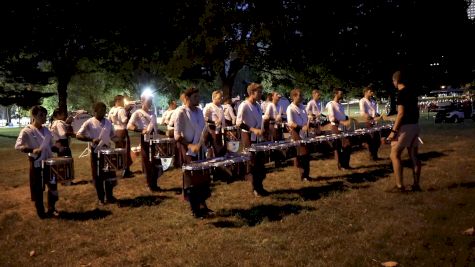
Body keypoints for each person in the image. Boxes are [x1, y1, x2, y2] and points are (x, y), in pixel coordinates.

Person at [174, 87, 214, 218]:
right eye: (195, 97)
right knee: (192, 180)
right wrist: (190, 145)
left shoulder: (199, 111)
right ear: (187, 98)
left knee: (202, 178)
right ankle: (195, 210)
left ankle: (203, 205)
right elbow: (176, 135)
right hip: (188, 149)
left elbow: (203, 130)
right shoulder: (181, 112)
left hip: (200, 149)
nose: (198, 99)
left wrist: (207, 143)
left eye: (198, 96)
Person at [15, 105, 60, 218]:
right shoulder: (27, 131)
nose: (43, 117)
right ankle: (41, 212)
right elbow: (18, 146)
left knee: (53, 186)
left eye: (45, 115)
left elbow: (50, 146)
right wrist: (32, 150)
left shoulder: (47, 130)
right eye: (41, 115)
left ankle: (52, 208)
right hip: (36, 163)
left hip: (49, 163)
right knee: (38, 189)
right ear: (34, 116)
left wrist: (57, 148)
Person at [386, 70, 422, 192]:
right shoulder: (412, 92)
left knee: (394, 154)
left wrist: (393, 131)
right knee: (414, 155)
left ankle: (399, 186)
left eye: (393, 81)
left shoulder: (401, 93)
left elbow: (401, 114)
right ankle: (416, 185)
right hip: (415, 125)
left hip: (405, 127)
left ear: (396, 81)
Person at [77, 102, 118, 205]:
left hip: (107, 151)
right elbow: (78, 135)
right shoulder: (89, 122)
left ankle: (110, 196)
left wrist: (118, 140)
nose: (103, 113)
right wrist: (91, 139)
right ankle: (101, 198)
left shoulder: (108, 122)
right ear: (95, 111)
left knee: (109, 174)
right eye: (101, 111)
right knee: (98, 176)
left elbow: (112, 135)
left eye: (104, 111)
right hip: (96, 152)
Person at [236, 82, 268, 196]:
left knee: (260, 163)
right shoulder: (244, 105)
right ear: (251, 93)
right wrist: (253, 129)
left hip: (258, 137)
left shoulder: (258, 105)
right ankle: (255, 188)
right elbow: (238, 123)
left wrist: (261, 132)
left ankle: (260, 186)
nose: (261, 94)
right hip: (248, 137)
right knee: (253, 163)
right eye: (259, 92)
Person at [127, 92, 164, 192]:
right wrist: (140, 130)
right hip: (146, 141)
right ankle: (150, 184)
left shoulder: (152, 113)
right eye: (148, 101)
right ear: (142, 101)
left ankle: (154, 184)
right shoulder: (137, 113)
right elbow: (129, 126)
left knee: (156, 162)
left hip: (155, 140)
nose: (150, 102)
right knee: (148, 162)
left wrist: (165, 133)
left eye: (151, 101)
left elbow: (155, 128)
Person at [287, 88, 312, 181]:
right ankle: (303, 175)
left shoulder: (302, 106)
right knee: (302, 153)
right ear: (294, 96)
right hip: (296, 132)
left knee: (306, 154)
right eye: (300, 95)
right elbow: (290, 123)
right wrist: (301, 127)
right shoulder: (290, 108)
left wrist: (309, 122)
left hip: (304, 132)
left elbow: (305, 119)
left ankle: (307, 174)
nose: (302, 97)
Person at [326, 88, 352, 170]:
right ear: (335, 94)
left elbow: (342, 115)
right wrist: (342, 122)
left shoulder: (340, 104)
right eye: (340, 93)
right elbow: (332, 118)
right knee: (338, 147)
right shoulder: (330, 104)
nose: (342, 95)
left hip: (343, 127)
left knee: (347, 145)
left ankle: (346, 165)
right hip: (336, 127)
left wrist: (348, 119)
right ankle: (340, 165)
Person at [108, 95, 134, 178]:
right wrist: (128, 113)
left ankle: (118, 168)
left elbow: (109, 121)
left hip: (115, 131)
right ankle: (126, 171)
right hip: (122, 131)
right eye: (122, 101)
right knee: (125, 151)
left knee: (118, 152)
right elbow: (124, 120)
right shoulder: (121, 110)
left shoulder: (112, 110)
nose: (123, 102)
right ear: (118, 101)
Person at [359, 86, 382, 161]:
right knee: (371, 140)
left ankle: (375, 155)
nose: (372, 93)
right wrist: (371, 118)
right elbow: (362, 113)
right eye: (370, 91)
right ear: (366, 92)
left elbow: (374, 111)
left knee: (377, 140)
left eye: (372, 91)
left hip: (375, 122)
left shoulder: (373, 101)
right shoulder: (362, 101)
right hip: (368, 122)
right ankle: (372, 156)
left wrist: (378, 115)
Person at [203, 90, 226, 157]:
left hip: (220, 129)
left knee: (220, 148)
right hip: (211, 129)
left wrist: (224, 126)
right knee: (216, 148)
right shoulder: (209, 106)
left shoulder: (221, 107)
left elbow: (222, 118)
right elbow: (204, 117)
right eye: (219, 98)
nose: (221, 99)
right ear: (213, 98)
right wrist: (213, 122)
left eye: (221, 97)